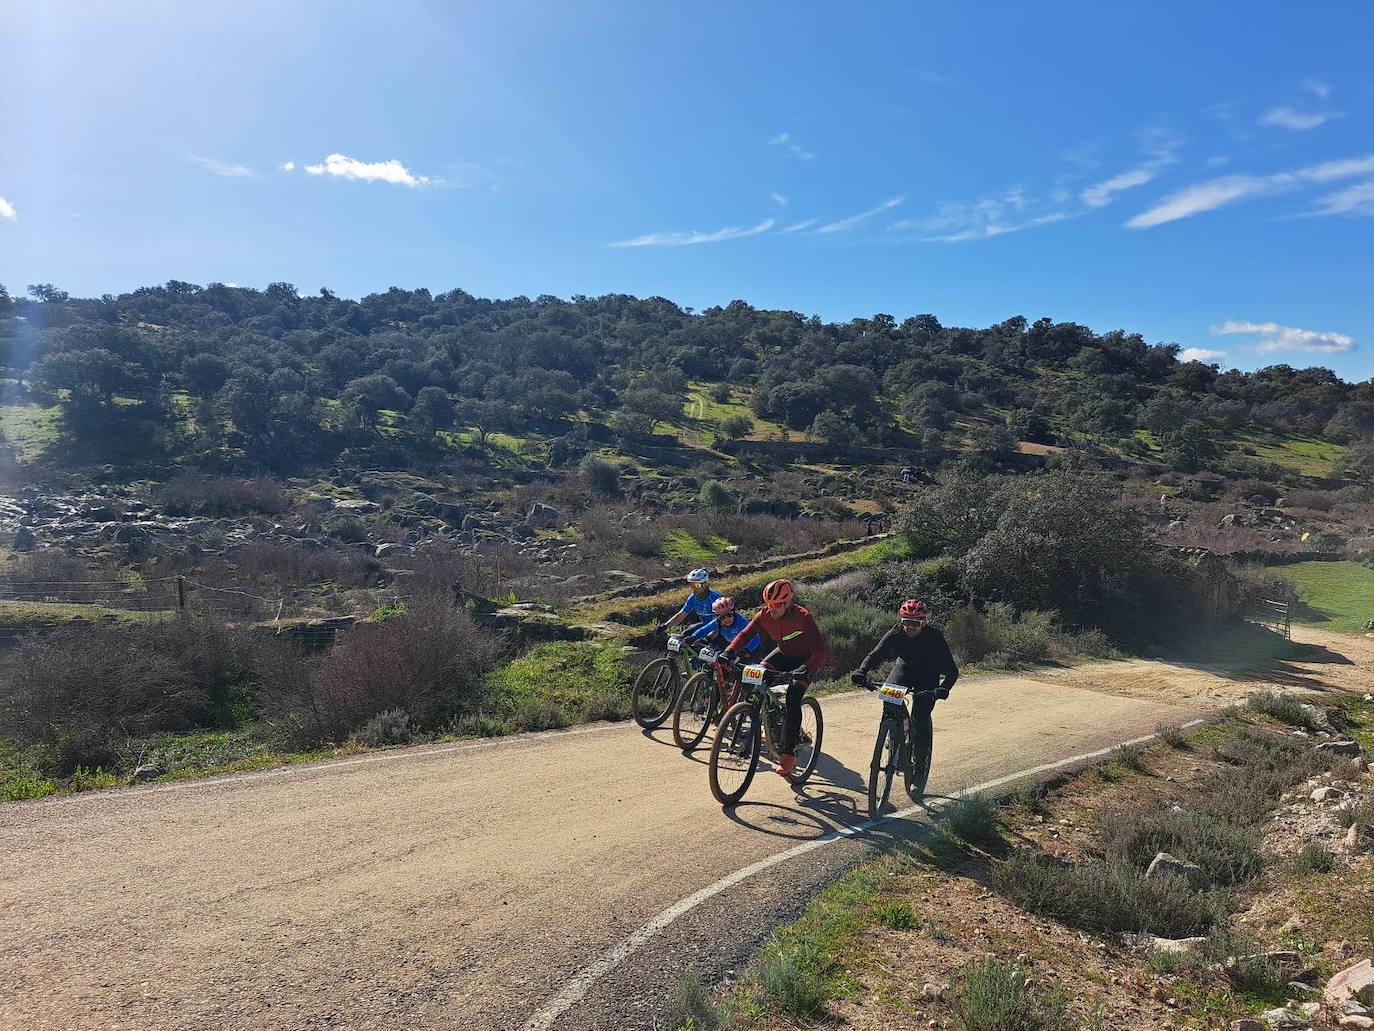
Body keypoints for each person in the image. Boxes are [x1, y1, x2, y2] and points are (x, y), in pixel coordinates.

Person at [723, 578, 831, 778]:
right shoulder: (764, 615)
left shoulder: (803, 617)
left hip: (806, 660)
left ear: (788, 602)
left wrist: (805, 668)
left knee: (792, 699)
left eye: (777, 605)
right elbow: (746, 634)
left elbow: (819, 651)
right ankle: (763, 718)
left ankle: (788, 755)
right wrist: (729, 651)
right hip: (782, 655)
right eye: (769, 604)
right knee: (756, 678)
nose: (772, 609)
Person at [850, 599, 958, 713]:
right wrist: (862, 670)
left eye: (915, 623)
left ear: (924, 623)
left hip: (928, 674)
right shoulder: (896, 632)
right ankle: (894, 725)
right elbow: (877, 653)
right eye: (906, 622)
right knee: (890, 702)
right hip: (904, 669)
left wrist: (945, 687)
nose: (910, 627)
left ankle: (917, 728)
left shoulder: (934, 636)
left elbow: (952, 669)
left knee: (921, 716)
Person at [688, 595, 763, 657]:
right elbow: (704, 629)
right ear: (718, 617)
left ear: (734, 612)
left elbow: (755, 638)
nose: (727, 619)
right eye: (722, 617)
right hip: (732, 646)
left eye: (729, 615)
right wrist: (693, 637)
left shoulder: (741, 622)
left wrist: (747, 650)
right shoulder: (717, 622)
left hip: (750, 649)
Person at [660, 568, 720, 634]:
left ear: (705, 584)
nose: (694, 588)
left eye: (697, 585)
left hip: (718, 628)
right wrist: (665, 625)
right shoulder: (693, 598)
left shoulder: (715, 597)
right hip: (704, 625)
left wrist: (710, 637)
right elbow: (681, 615)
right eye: (692, 585)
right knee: (684, 635)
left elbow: (722, 620)